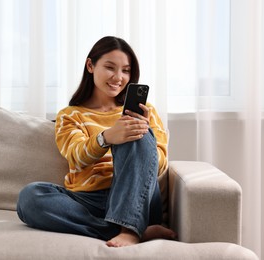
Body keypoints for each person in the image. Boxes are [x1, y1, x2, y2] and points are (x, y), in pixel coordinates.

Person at [17, 36, 176, 247]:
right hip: (88, 200)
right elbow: (77, 156)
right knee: (30, 197)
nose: (118, 77)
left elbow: (159, 167)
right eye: (110, 67)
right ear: (90, 66)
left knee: (137, 132)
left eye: (126, 71)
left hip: (137, 196)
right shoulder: (70, 115)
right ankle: (133, 229)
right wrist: (107, 137)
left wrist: (142, 136)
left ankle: (129, 229)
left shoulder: (146, 111)